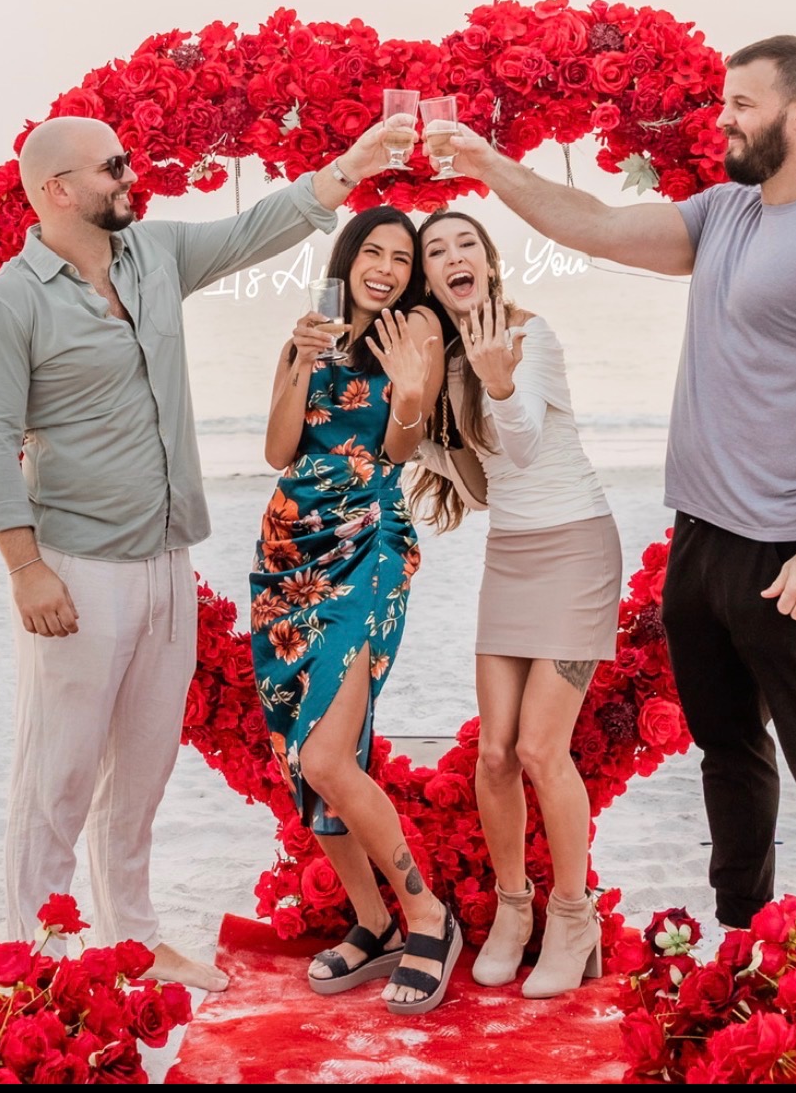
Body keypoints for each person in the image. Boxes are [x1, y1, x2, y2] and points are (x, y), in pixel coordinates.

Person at [434, 35, 796, 929]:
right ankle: (741, 930)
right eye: (724, 101)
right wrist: (482, 161)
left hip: (790, 545)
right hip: (702, 536)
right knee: (726, 748)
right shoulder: (726, 212)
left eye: (743, 103)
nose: (723, 118)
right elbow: (590, 222)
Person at [0, 112, 393, 990]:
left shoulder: (153, 254)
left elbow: (250, 230)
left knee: (144, 766)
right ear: (56, 190)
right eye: (111, 165)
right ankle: (38, 960)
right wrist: (25, 566)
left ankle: (135, 939)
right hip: (75, 566)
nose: (130, 174)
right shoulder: (4, 304)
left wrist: (348, 168)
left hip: (166, 558)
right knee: (60, 772)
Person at [250, 207, 463, 1016]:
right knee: (304, 760)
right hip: (285, 552)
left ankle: (425, 917)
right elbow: (278, 450)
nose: (384, 267)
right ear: (347, 258)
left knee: (331, 756)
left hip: (366, 545)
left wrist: (409, 392)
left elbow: (402, 449)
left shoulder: (415, 338)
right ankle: (371, 922)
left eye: (400, 258)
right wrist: (297, 364)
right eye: (371, 251)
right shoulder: (309, 332)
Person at [409, 210, 623, 998]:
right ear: (428, 280)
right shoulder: (445, 360)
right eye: (436, 251)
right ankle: (512, 910)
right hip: (512, 555)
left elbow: (526, 443)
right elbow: (477, 480)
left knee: (539, 749)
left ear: (489, 263)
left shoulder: (531, 334)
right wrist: (416, 418)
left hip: (575, 548)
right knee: (492, 754)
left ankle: (573, 915)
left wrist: (498, 379)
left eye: (465, 243)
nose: (452, 256)